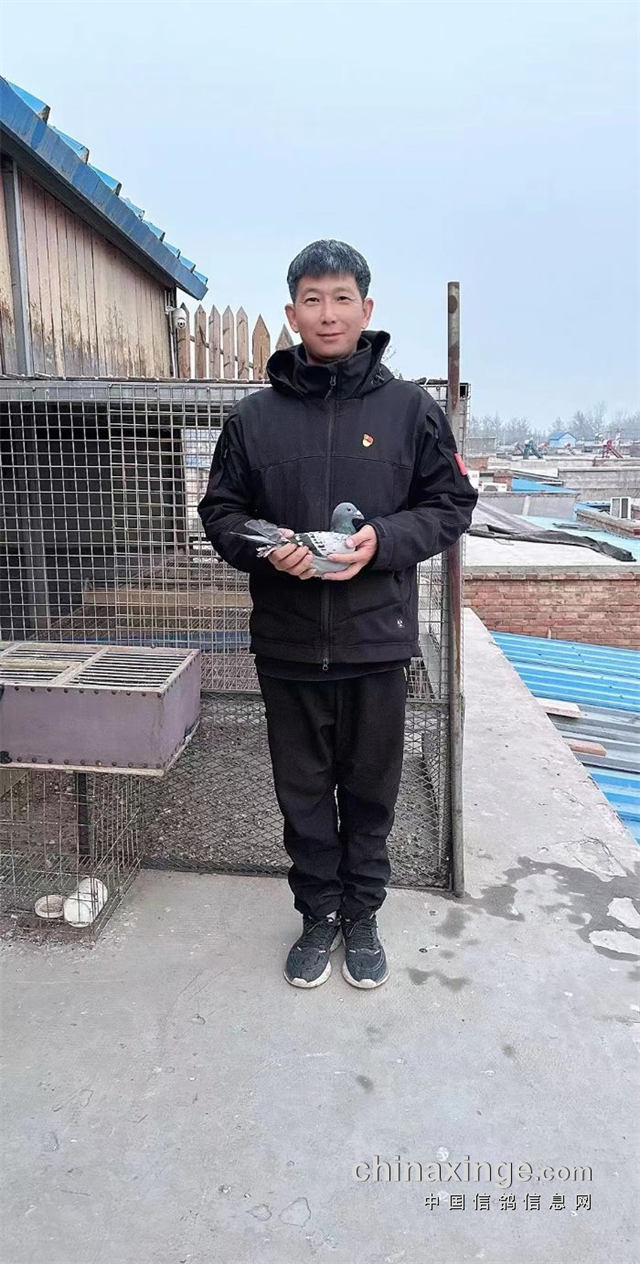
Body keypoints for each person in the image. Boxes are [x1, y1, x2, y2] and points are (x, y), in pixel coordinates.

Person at [198, 240, 477, 991]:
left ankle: (363, 914)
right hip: (288, 644)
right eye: (312, 300)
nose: (328, 313)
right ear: (292, 314)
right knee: (302, 792)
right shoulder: (254, 419)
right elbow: (221, 512)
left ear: (366, 309)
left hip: (376, 642)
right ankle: (318, 912)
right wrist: (267, 550)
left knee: (370, 789)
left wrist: (382, 540)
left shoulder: (410, 411)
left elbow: (452, 504)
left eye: (341, 298)